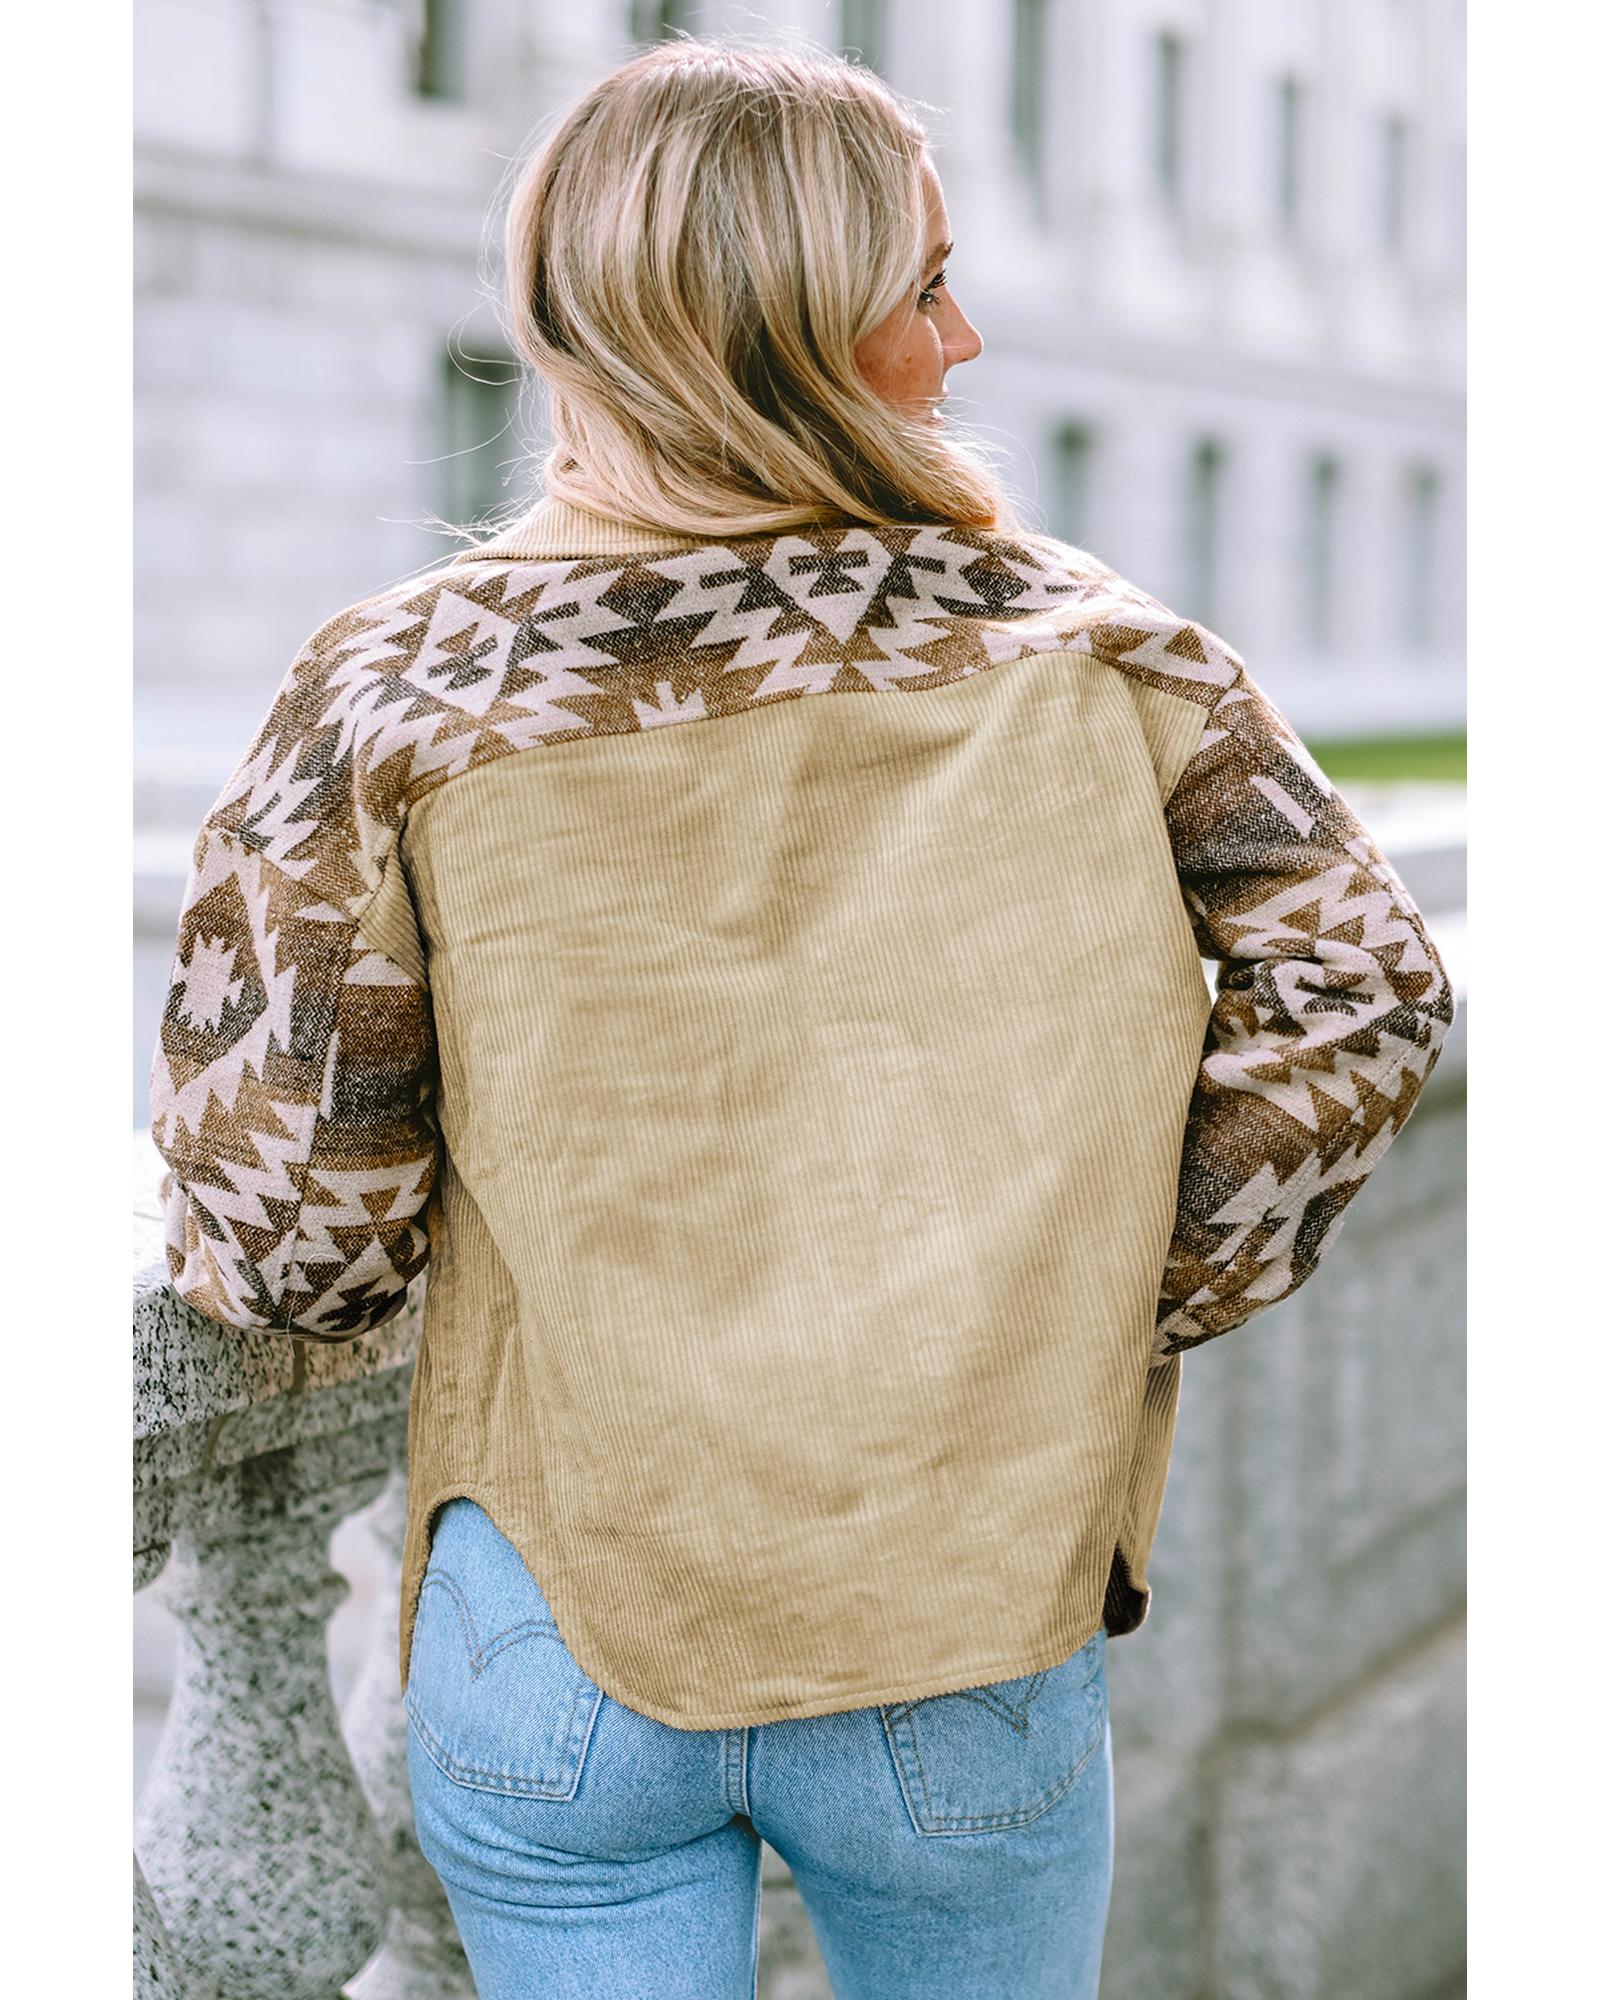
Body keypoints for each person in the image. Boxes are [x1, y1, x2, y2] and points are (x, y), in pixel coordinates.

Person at [147, 33, 1456, 2000]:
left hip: (558, 1621)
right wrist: (1099, 1286)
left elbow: (297, 1236)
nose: (966, 338)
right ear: (783, 334)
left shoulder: (393, 693)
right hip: (958, 1615)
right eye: (923, 287)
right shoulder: (1096, 651)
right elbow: (1364, 985)